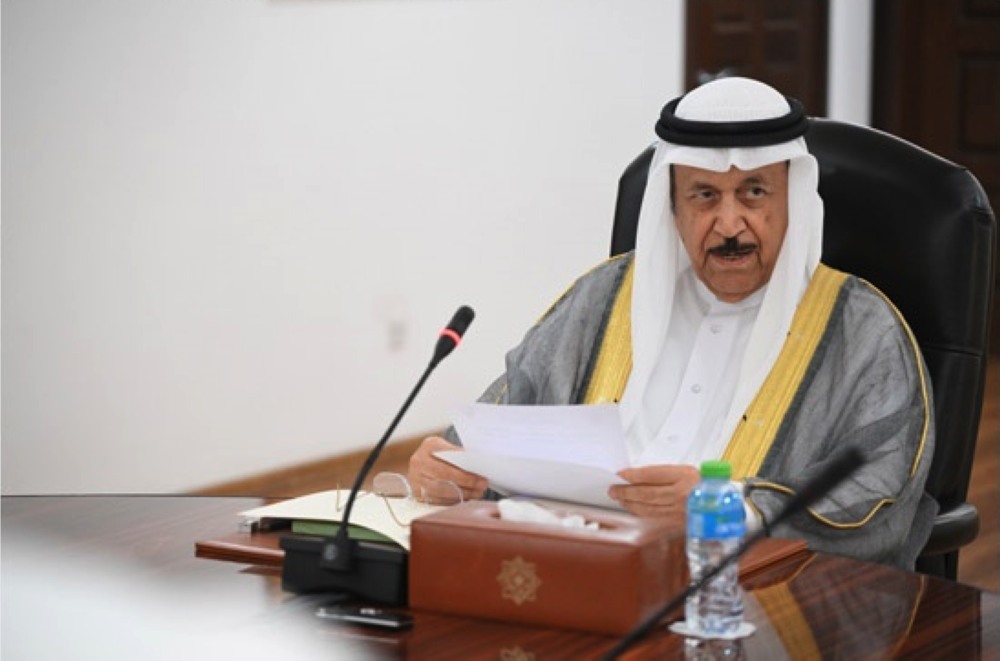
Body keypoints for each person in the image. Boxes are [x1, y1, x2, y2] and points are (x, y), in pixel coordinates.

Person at [408, 77, 937, 570]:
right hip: (574, 565)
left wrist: (727, 507)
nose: (729, 224)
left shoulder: (863, 330)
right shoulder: (604, 296)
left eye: (754, 192)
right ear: (673, 207)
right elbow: (506, 415)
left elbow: (881, 494)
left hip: (738, 591)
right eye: (704, 195)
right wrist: (453, 465)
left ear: (793, 198)